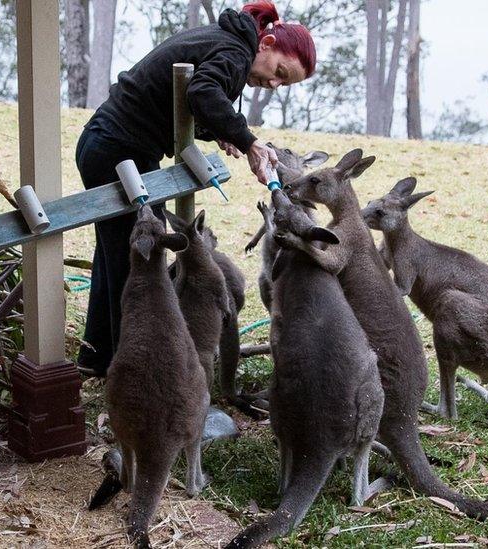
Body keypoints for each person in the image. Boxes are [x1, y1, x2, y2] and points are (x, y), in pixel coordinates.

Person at [75, 1, 316, 376]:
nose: (273, 83)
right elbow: (203, 92)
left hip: (106, 144)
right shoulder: (237, 51)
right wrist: (247, 140)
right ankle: (138, 369)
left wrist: (220, 130)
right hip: (119, 150)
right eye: (280, 72)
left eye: (283, 83)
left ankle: (98, 357)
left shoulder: (226, 41)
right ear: (266, 43)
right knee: (145, 259)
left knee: (118, 257)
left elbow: (189, 95)